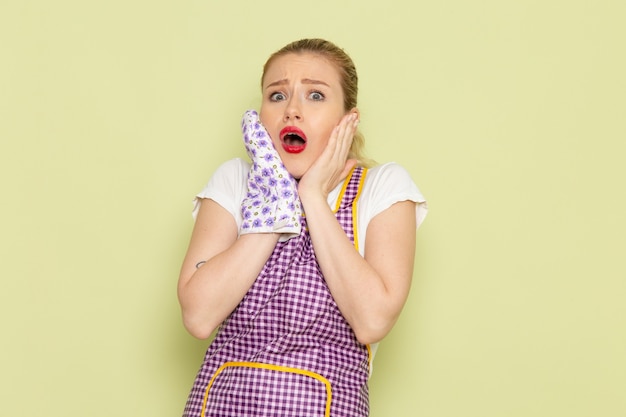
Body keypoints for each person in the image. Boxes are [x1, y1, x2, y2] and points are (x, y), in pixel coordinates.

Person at [178, 38, 427, 417]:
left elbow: (372, 320)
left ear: (348, 118)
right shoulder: (235, 180)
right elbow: (198, 316)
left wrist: (311, 195)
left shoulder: (382, 187)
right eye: (277, 96)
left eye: (315, 95)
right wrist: (276, 200)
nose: (292, 110)